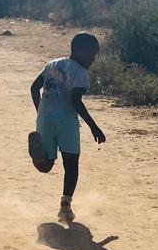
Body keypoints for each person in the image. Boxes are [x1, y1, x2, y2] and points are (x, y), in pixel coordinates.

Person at [29, 32, 106, 223]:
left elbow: (34, 88)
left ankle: (37, 156)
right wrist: (94, 127)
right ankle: (65, 207)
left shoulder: (52, 64)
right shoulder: (80, 73)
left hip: (45, 118)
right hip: (67, 122)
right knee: (71, 164)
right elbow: (75, 101)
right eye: (91, 54)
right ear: (80, 51)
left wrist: (40, 112)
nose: (93, 59)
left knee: (45, 165)